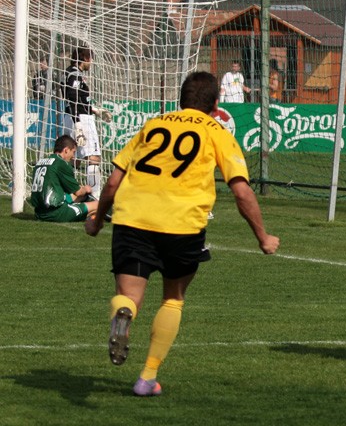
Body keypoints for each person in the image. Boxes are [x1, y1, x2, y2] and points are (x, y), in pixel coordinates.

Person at [84, 71, 280, 397]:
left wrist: (98, 221)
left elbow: (114, 182)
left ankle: (123, 314)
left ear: (180, 99)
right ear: (216, 105)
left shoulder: (152, 126)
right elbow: (241, 191)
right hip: (181, 225)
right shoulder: (216, 132)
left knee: (129, 296)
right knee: (173, 299)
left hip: (133, 219)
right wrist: (263, 237)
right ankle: (147, 378)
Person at [63, 47, 112, 199]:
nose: (91, 62)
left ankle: (69, 193)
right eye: (91, 59)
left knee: (74, 158)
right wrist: (78, 124)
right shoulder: (75, 75)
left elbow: (78, 100)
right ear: (85, 59)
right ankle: (95, 196)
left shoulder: (70, 73)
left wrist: (96, 110)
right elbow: (72, 98)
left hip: (72, 116)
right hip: (80, 119)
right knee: (93, 157)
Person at [30, 134, 99, 222]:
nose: (73, 156)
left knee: (80, 197)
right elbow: (78, 192)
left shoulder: (40, 162)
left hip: (39, 212)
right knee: (99, 204)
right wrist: (86, 188)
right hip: (56, 213)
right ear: (66, 150)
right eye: (73, 152)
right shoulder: (61, 163)